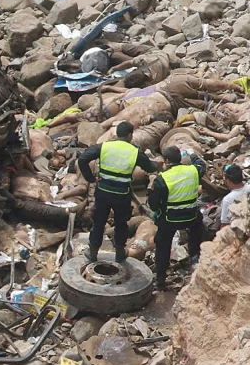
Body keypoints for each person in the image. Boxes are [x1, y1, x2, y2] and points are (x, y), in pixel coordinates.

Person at [76, 121, 158, 263]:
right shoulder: (134, 152)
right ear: (130, 135)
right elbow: (150, 167)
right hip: (122, 195)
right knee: (121, 224)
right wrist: (157, 163)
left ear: (117, 134)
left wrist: (91, 178)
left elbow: (82, 159)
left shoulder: (104, 146)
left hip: (103, 192)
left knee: (99, 222)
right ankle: (120, 252)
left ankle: (93, 252)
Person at [148, 145, 204, 290]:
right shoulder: (193, 170)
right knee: (198, 226)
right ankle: (194, 256)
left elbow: (153, 205)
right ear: (180, 158)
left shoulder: (162, 179)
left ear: (166, 161)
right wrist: (192, 154)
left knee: (162, 244)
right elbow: (201, 164)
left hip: (170, 219)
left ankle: (160, 279)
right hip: (191, 216)